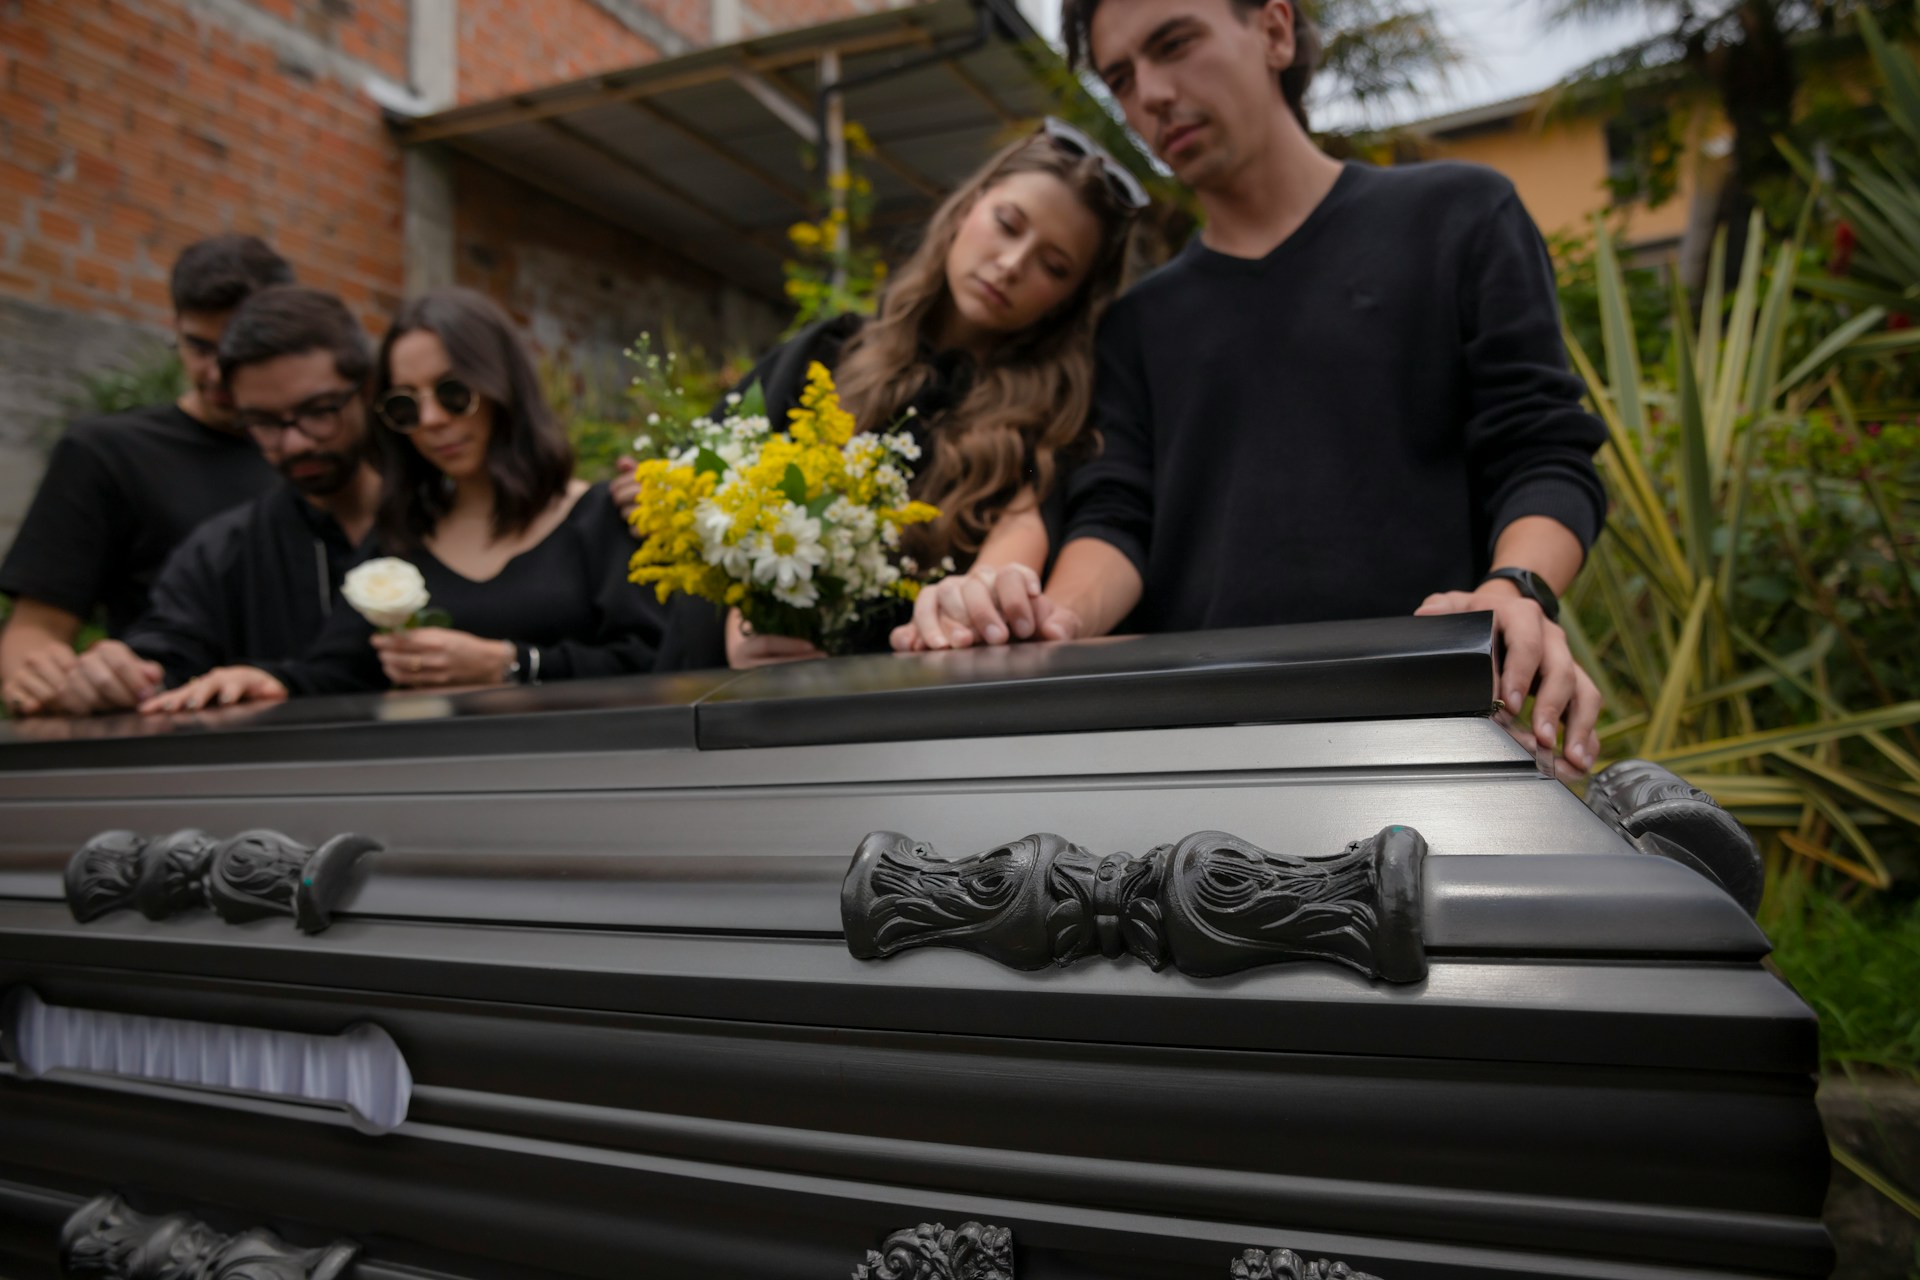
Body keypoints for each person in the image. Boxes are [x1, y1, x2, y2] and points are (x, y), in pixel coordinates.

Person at [905, 0, 1610, 774]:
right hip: (1200, 763)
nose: (1151, 95)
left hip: (1435, 735)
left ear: (1274, 30)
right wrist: (1053, 622)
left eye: (1174, 44)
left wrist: (1513, 588)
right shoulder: (1137, 324)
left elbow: (1541, 448)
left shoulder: (1460, 217)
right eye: (1122, 78)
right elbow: (1117, 517)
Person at [629, 119, 1142, 670]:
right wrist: (744, 618)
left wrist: (983, 603)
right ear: (968, 207)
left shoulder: (1047, 421)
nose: (1013, 265)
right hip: (751, 695)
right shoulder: (825, 355)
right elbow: (714, 499)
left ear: (1069, 300)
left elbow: (1015, 546)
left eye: (1054, 266)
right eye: (1007, 223)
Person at [146, 288, 663, 711]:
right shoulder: (402, 533)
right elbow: (343, 672)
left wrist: (511, 664)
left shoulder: (602, 517)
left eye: (453, 393)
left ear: (503, 386)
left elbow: (658, 664)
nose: (433, 419)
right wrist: (266, 680)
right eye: (405, 404)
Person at [41, 286, 382, 715]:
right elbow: (169, 649)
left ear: (367, 390)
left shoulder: (449, 522)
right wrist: (121, 676)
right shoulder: (224, 551)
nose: (293, 443)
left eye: (318, 411)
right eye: (263, 422)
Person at [0, 235, 292, 716]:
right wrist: (45, 678)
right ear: (174, 326)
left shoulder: (319, 456)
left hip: (315, 725)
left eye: (239, 349)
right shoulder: (106, 452)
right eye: (199, 346)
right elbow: (37, 628)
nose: (216, 372)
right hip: (163, 736)